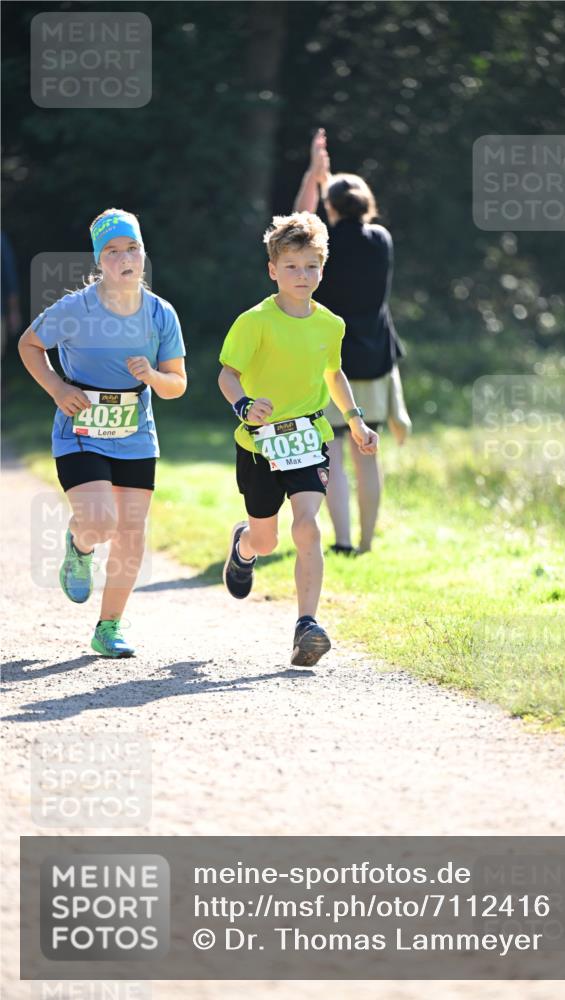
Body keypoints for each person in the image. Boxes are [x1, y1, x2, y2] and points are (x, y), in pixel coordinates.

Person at [18, 208, 187, 657]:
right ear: (99, 261)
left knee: (132, 534)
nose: (124, 257)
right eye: (112, 252)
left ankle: (108, 626)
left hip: (135, 433)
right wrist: (56, 387)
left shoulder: (160, 314)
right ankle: (80, 542)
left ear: (143, 253)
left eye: (132, 248)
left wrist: (151, 374)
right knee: (101, 522)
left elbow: (177, 386)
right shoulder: (75, 308)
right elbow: (29, 344)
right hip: (81, 429)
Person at [218, 211, 379, 667]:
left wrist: (356, 420)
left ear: (322, 270)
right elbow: (227, 375)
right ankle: (244, 546)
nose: (301, 275)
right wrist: (244, 406)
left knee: (307, 524)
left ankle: (306, 625)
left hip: (310, 437)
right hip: (259, 443)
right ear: (273, 270)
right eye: (291, 266)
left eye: (311, 266)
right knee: (266, 541)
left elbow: (334, 373)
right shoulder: (255, 322)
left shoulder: (330, 325)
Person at [294, 128, 411, 554]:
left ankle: (341, 542)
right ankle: (365, 544)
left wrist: (314, 176)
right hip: (375, 359)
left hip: (331, 363)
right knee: (368, 455)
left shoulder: (323, 246)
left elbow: (300, 226)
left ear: (330, 207)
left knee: (333, 453)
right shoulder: (382, 240)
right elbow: (340, 219)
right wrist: (331, 189)